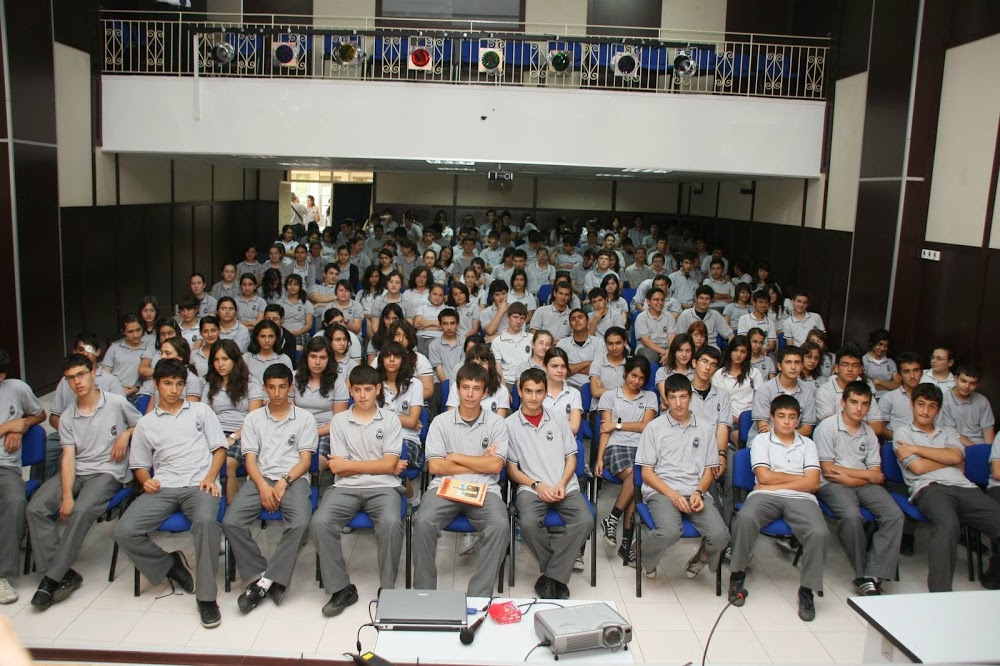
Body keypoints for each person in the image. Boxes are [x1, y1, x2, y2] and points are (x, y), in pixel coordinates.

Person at [113, 359, 228, 628]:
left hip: (200, 483)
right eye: (168, 384)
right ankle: (169, 565)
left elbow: (219, 449)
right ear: (156, 385)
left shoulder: (201, 411)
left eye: (179, 384)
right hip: (163, 486)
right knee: (124, 530)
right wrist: (145, 480)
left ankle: (206, 598)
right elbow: (139, 465)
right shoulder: (146, 423)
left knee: (206, 523)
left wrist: (211, 477)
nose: (174, 390)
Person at [311, 364, 406, 616]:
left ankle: (387, 589)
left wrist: (351, 464)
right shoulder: (339, 421)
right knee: (320, 522)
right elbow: (339, 471)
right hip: (345, 488)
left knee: (390, 523)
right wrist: (378, 466)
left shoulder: (391, 419)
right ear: (350, 390)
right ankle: (341, 588)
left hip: (384, 487)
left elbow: (387, 464)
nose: (362, 395)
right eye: (357, 390)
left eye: (367, 389)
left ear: (378, 389)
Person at [222, 364, 316, 615]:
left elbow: (305, 461)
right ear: (264, 388)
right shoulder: (253, 419)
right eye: (271, 387)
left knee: (300, 523)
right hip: (260, 478)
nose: (277, 393)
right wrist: (263, 486)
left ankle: (265, 582)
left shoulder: (305, 418)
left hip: (294, 479)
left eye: (282, 387)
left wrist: (284, 481)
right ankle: (266, 575)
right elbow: (250, 461)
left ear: (290, 387)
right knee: (231, 521)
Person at [412, 364, 510, 597]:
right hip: (445, 486)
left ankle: (478, 595)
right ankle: (425, 594)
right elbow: (435, 466)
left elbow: (495, 465)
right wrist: (479, 461)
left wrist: (454, 456)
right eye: (465, 387)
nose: (470, 394)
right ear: (457, 389)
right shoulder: (441, 422)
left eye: (476, 388)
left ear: (485, 392)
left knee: (500, 526)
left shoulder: (497, 423)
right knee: (423, 521)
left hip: (485, 488)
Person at [728, 395, 827, 622]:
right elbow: (763, 476)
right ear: (772, 417)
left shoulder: (808, 444)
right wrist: (796, 478)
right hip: (764, 495)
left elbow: (812, 483)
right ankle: (737, 574)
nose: (786, 422)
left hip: (801, 498)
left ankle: (807, 590)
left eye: (792, 417)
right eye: (781, 416)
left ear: (798, 419)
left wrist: (777, 481)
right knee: (744, 519)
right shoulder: (762, 442)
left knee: (819, 532)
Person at [892, 383, 1000, 591]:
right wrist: (948, 458)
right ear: (912, 404)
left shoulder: (949, 432)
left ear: (938, 409)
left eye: (931, 406)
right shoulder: (902, 433)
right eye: (921, 404)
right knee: (948, 526)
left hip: (964, 487)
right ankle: (940, 595)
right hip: (930, 488)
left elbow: (957, 456)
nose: (925, 411)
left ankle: (995, 576)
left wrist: (916, 448)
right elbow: (918, 466)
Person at [634, 373, 730, 578]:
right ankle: (646, 559)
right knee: (669, 532)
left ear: (690, 398)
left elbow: (708, 471)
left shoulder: (705, 428)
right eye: (673, 397)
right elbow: (647, 474)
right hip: (662, 491)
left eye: (683, 397)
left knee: (721, 535)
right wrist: (673, 495)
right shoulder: (654, 428)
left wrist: (699, 491)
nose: (678, 403)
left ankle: (701, 558)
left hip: (695, 491)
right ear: (666, 399)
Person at [506, 368, 590, 599]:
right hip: (531, 487)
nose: (534, 397)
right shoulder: (509, 425)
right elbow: (512, 469)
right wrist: (536, 485)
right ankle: (558, 573)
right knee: (530, 522)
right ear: (520, 391)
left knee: (585, 520)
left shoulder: (559, 418)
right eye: (529, 391)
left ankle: (551, 576)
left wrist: (563, 482)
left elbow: (571, 457)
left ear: (545, 393)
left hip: (564, 484)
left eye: (539, 392)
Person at [815, 381, 903, 596]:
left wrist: (855, 477)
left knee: (895, 515)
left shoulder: (869, 433)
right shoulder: (826, 427)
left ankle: (876, 570)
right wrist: (863, 476)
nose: (859, 408)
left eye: (864, 404)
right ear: (843, 402)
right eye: (854, 402)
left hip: (860, 483)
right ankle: (862, 574)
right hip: (832, 484)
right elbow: (828, 469)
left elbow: (876, 473)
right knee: (852, 517)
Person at [596, 356, 658, 564]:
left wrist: (618, 424)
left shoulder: (650, 397)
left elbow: (646, 426)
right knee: (635, 477)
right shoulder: (609, 397)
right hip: (616, 447)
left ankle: (617, 529)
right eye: (633, 375)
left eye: (641, 378)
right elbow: (605, 429)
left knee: (636, 483)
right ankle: (617, 525)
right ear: (625, 373)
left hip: (643, 448)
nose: (636, 381)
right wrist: (599, 458)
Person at [0, 349, 46, 604]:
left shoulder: (16, 388)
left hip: (5, 467)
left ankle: (2, 575)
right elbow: (10, 424)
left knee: (15, 501)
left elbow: (40, 414)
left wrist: (24, 425)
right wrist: (7, 427)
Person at [46, 333, 125, 478]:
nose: (85, 353)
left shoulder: (111, 381)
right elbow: (54, 416)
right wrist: (68, 433)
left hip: (98, 434)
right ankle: (42, 487)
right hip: (68, 430)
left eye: (89, 349)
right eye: (80, 350)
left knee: (63, 459)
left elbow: (122, 418)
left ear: (98, 352)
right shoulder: (65, 381)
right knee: (46, 450)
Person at [203, 340, 265, 504]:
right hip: (215, 432)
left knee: (228, 464)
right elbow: (203, 415)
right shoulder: (210, 383)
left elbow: (255, 418)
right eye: (216, 360)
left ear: (235, 360)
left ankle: (232, 510)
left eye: (225, 359)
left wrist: (234, 437)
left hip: (243, 434)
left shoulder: (251, 383)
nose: (220, 364)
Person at [292, 337, 349, 477]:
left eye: (322, 357)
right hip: (296, 430)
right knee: (289, 461)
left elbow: (338, 420)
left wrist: (313, 433)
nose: (317, 362)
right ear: (306, 357)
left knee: (313, 465)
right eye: (313, 357)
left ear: (329, 359)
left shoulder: (337, 382)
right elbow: (288, 412)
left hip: (326, 433)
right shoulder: (293, 378)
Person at [377, 341, 424, 505]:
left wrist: (382, 416)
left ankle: (405, 499)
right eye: (387, 356)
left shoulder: (415, 384)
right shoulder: (374, 383)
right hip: (378, 437)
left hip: (408, 439)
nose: (391, 360)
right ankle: (408, 499)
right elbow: (368, 418)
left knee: (395, 457)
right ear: (381, 359)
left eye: (396, 356)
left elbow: (412, 422)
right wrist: (401, 419)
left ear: (403, 360)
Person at [815, 344, 885, 437]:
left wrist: (853, 427)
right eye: (845, 365)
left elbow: (878, 428)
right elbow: (830, 426)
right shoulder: (825, 391)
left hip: (861, 442)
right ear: (836, 368)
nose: (850, 369)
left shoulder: (865, 390)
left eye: (855, 365)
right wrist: (860, 426)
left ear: (860, 369)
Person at [750, 346, 817, 439]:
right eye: (788, 362)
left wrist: (786, 436)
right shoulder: (764, 390)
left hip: (794, 442)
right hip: (764, 441)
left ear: (802, 367)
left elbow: (807, 428)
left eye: (797, 363)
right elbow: (763, 427)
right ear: (779, 366)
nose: (793, 367)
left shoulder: (808, 392)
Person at [938, 363, 995, 446]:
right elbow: (950, 431)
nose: (967, 386)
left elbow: (988, 429)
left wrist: (989, 452)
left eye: (972, 383)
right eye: (963, 381)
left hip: (979, 444)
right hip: (954, 444)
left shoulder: (982, 400)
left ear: (978, 385)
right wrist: (974, 449)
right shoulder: (944, 400)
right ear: (955, 378)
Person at [878, 352, 923, 441]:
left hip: (925, 444)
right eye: (906, 372)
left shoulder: (928, 398)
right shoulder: (889, 397)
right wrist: (902, 438)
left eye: (916, 370)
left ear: (922, 373)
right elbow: (879, 428)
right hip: (896, 444)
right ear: (899, 376)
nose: (912, 376)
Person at [556, 308, 605, 389]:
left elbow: (598, 370)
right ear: (570, 324)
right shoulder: (562, 344)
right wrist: (587, 363)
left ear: (588, 322)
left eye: (580, 317)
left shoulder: (598, 343)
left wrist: (570, 367)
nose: (577, 320)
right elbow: (560, 370)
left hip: (592, 386)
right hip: (568, 385)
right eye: (573, 319)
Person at [542, 348, 584, 437]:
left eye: (563, 366)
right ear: (545, 367)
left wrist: (545, 423)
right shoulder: (537, 391)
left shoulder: (574, 393)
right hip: (540, 442)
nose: (560, 370)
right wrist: (564, 424)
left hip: (566, 444)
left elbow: (574, 427)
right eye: (554, 366)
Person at [243, 320, 294, 384]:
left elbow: (289, 385)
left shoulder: (284, 359)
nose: (267, 340)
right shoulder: (246, 358)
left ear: (276, 338)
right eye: (263, 336)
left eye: (271, 336)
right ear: (257, 338)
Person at [634, 287, 674, 365]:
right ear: (648, 301)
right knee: (649, 358)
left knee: (679, 355)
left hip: (666, 347)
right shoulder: (641, 317)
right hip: (648, 348)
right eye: (656, 300)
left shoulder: (669, 316)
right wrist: (664, 352)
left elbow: (671, 337)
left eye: (662, 300)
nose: (660, 302)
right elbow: (646, 341)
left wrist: (669, 351)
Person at [654, 334, 695, 409]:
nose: (684, 354)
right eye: (680, 350)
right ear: (674, 352)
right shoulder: (662, 372)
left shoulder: (696, 373)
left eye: (688, 351)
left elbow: (697, 401)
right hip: (668, 416)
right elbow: (666, 399)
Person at [279, 274, 314, 353]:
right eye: (289, 284)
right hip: (283, 334)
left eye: (295, 284)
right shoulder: (279, 303)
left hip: (300, 333)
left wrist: (297, 332)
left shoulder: (306, 304)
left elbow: (309, 325)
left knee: (297, 349)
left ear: (300, 286)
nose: (292, 287)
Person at [413, 283, 448, 357]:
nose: (437, 297)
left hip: (437, 337)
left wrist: (427, 323)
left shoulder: (448, 309)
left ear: (444, 297)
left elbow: (447, 326)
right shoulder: (422, 307)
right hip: (420, 336)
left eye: (440, 295)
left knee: (431, 346)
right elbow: (417, 324)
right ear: (429, 294)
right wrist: (437, 324)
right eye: (434, 294)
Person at [863, 329, 900, 399]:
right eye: (880, 344)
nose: (883, 348)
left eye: (886, 346)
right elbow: (866, 385)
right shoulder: (864, 360)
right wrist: (889, 385)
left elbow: (897, 385)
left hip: (889, 398)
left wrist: (879, 382)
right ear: (872, 343)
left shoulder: (891, 362)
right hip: (870, 397)